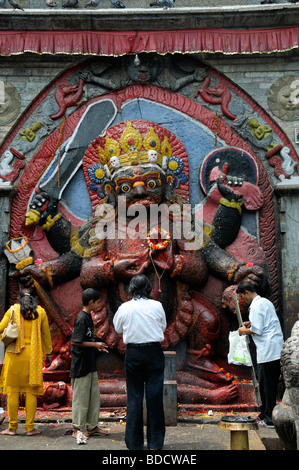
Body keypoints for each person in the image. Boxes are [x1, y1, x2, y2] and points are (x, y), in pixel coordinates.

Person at [113, 274, 167, 450]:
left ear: (131, 289)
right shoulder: (157, 306)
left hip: (134, 353)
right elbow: (163, 327)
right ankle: (155, 444)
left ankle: (135, 444)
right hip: (154, 352)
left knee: (135, 398)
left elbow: (117, 328)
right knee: (155, 398)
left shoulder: (125, 308)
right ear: (148, 289)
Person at [0, 289, 53, 436]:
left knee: (12, 392)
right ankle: (30, 428)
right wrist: (48, 353)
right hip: (33, 357)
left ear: (19, 298)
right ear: (35, 299)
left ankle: (12, 428)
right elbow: (46, 335)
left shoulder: (12, 310)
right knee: (31, 392)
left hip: (14, 356)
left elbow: (0, 328)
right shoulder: (41, 312)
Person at [237, 281, 284, 428]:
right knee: (265, 384)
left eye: (242, 297)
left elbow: (258, 330)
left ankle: (269, 419)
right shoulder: (265, 302)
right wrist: (250, 324)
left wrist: (242, 330)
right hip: (273, 349)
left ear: (246, 292)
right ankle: (264, 413)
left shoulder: (256, 307)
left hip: (268, 351)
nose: (242, 300)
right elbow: (263, 323)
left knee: (267, 386)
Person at [70, 288, 109, 443]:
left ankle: (92, 426)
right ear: (91, 302)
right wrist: (94, 344)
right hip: (81, 366)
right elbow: (75, 341)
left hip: (89, 364)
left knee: (93, 397)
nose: (98, 304)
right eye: (97, 301)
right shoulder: (81, 318)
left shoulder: (88, 317)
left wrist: (95, 344)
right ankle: (77, 429)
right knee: (80, 398)